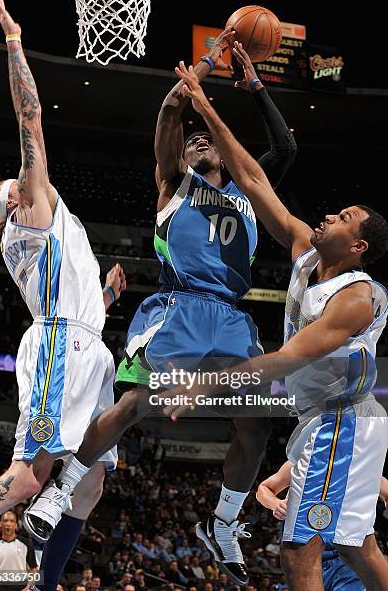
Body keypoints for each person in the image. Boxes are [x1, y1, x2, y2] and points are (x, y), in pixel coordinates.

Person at [25, 29, 297, 587]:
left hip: (232, 317)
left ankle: (222, 524)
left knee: (257, 428)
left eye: (207, 139)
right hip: (180, 308)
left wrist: (251, 82)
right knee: (136, 405)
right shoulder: (174, 181)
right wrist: (209, 60)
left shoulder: (248, 190)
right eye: (192, 138)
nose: (198, 140)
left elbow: (286, 148)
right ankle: (60, 493)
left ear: (226, 153)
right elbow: (174, 105)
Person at [160, 51, 388, 590]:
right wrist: (214, 103)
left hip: (342, 421)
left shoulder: (356, 297)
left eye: (346, 216)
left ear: (357, 245)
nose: (331, 213)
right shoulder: (306, 249)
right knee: (356, 550)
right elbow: (255, 176)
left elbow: (288, 358)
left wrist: (206, 384)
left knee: (297, 550)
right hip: (331, 422)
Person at [0, 0, 125, 589]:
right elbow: (31, 120)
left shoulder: (42, 227)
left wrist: (103, 302)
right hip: (59, 348)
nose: (18, 179)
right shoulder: (29, 215)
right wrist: (14, 42)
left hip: (82, 339)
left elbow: (63, 287)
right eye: (6, 184)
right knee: (27, 478)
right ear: (5, 210)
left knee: (88, 485)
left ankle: (45, 584)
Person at [257, 463, 388, 590]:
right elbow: (264, 489)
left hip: (345, 558)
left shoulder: (359, 464)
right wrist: (275, 503)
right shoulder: (301, 460)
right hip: (305, 559)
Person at [0, 511, 37, 591]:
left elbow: (33, 568)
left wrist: (28, 587)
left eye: (12, 521)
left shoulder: (26, 543)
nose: (8, 524)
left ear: (16, 525)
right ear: (0, 524)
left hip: (21, 587)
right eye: (5, 520)